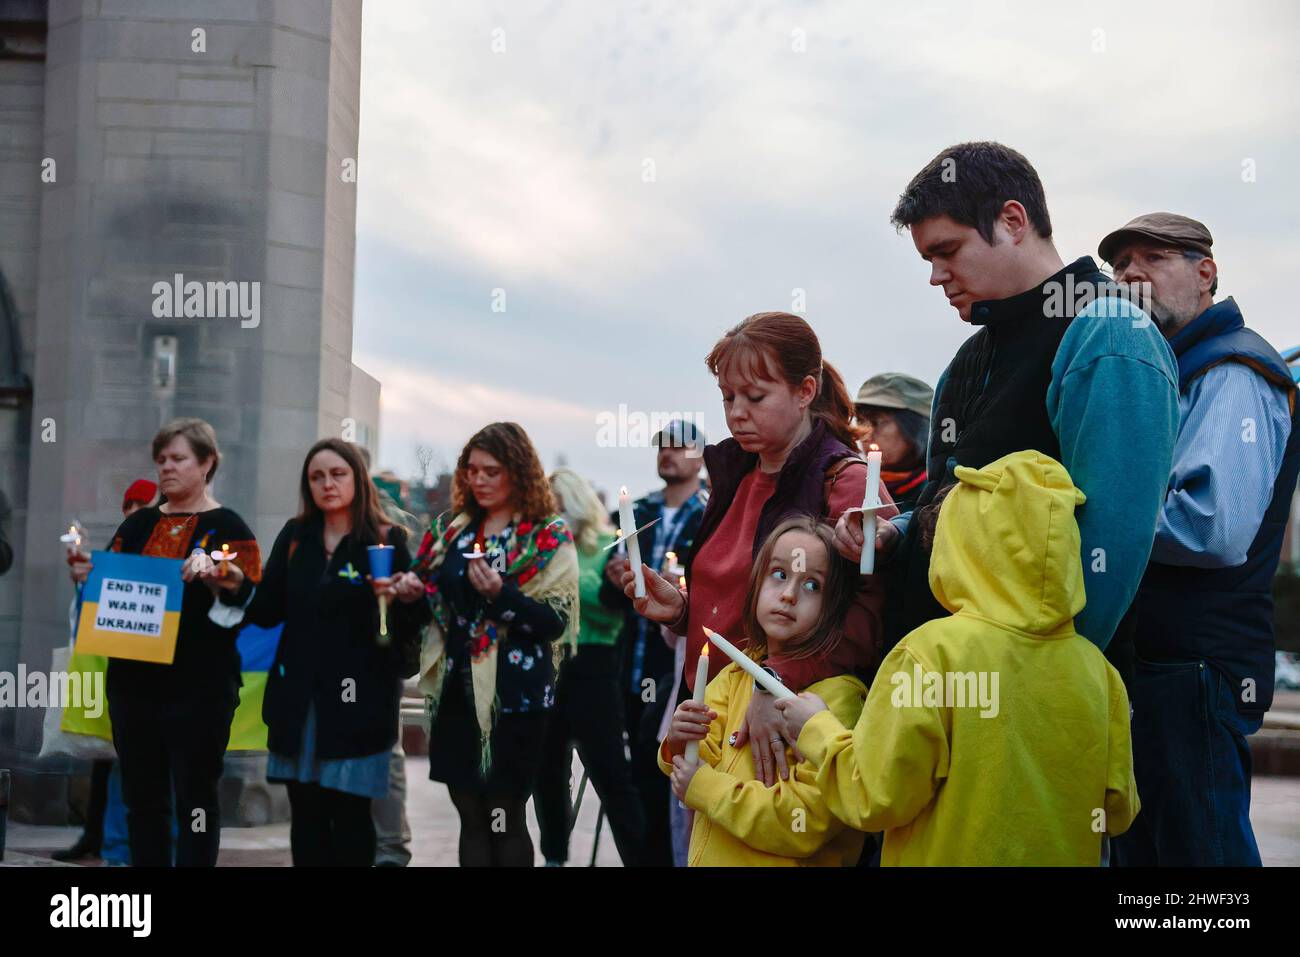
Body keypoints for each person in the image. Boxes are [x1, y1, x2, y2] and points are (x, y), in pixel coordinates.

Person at [836, 142, 1180, 660]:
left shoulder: (1110, 331)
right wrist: (895, 532)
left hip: (1029, 702)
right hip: (936, 684)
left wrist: (1044, 686)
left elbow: (1109, 552)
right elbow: (942, 502)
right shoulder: (967, 359)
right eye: (928, 259)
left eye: (947, 251)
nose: (935, 275)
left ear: (1013, 221)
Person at [779, 451, 1139, 865]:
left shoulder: (930, 654)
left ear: (962, 542)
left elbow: (876, 797)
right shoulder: (1099, 672)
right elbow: (1118, 809)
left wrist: (818, 732)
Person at [618, 312, 896, 791]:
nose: (736, 413)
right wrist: (683, 612)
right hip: (712, 715)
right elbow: (746, 604)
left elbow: (868, 619)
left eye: (755, 396)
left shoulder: (846, 482)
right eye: (728, 397)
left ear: (806, 391)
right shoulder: (735, 475)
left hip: (788, 727)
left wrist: (771, 681)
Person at [1099, 213, 1300, 866]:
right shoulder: (1173, 371)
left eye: (1149, 261)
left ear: (1204, 272)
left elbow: (1211, 527)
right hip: (1163, 663)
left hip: (1196, 666)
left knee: (1201, 864)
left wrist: (1097, 521)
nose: (1129, 277)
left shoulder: (1234, 368)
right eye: (1118, 268)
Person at [221, 438, 430, 866]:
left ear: (357, 478)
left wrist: (409, 597)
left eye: (338, 474)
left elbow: (410, 627)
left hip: (360, 706)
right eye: (317, 477)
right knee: (308, 821)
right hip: (300, 704)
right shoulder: (297, 539)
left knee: (352, 821)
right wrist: (235, 584)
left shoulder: (387, 541)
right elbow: (267, 609)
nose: (327, 484)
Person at [68, 419, 260, 867]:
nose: (166, 468)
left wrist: (224, 577)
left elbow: (253, 600)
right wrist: (87, 576)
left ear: (207, 462)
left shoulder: (228, 527)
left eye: (178, 459)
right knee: (143, 801)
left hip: (200, 688)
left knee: (195, 800)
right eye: (161, 460)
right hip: (134, 687)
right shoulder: (136, 527)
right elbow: (111, 591)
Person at [392, 422, 579, 867]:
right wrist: (411, 593)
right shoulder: (449, 531)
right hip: (458, 690)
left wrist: (502, 595)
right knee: (471, 815)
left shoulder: (547, 535)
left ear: (518, 471)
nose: (478, 479)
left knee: (504, 812)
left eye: (491, 471)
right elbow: (428, 607)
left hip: (516, 698)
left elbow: (555, 623)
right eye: (471, 470)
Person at [661, 516, 867, 866]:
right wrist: (681, 739)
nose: (788, 595)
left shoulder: (838, 699)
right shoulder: (734, 677)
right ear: (756, 585)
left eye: (812, 585)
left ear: (833, 607)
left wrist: (705, 788)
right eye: (780, 574)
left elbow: (804, 823)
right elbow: (695, 762)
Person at [598, 419, 708, 866]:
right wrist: (613, 577)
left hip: (675, 668)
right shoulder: (636, 511)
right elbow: (608, 596)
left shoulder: (710, 512)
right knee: (632, 777)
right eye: (662, 446)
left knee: (664, 773)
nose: (668, 453)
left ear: (700, 456)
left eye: (680, 446)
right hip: (630, 662)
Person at [535, 467, 645, 866]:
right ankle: (554, 856)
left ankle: (639, 858)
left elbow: (614, 605)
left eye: (561, 506)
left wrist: (563, 583)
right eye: (550, 507)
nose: (556, 514)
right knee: (547, 773)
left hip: (594, 666)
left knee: (611, 773)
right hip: (549, 664)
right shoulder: (542, 545)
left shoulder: (607, 543)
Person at [53, 479, 158, 863]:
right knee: (106, 759)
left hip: (146, 673)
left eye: (140, 504)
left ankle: (118, 843)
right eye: (128, 504)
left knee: (130, 766)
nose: (131, 510)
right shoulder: (122, 541)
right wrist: (85, 577)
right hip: (111, 669)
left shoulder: (158, 539)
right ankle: (101, 840)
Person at [853, 373, 933, 512]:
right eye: (860, 422)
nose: (864, 434)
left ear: (914, 426)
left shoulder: (940, 490)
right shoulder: (849, 486)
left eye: (875, 422)